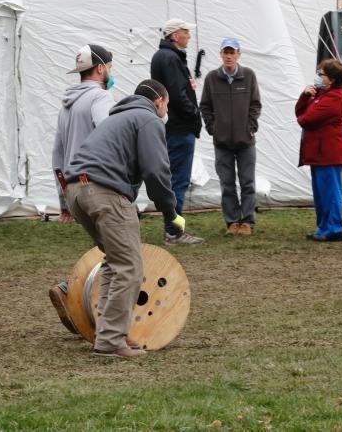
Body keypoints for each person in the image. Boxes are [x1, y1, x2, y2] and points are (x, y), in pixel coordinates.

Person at [63, 80, 185, 358]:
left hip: (76, 190)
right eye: (166, 105)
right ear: (159, 102)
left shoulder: (116, 117)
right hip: (105, 192)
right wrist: (171, 212)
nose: (166, 111)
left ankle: (107, 332)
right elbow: (157, 170)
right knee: (129, 266)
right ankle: (110, 341)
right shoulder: (148, 119)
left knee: (115, 263)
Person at [48, 44, 115, 337]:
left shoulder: (67, 104)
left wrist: (63, 200)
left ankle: (71, 292)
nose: (110, 72)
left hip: (74, 189)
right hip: (97, 185)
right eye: (109, 67)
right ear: (100, 68)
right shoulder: (101, 98)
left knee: (110, 250)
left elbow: (57, 155)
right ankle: (95, 312)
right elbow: (110, 138)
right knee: (123, 254)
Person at [150, 18, 204, 245]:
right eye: (185, 32)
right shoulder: (170, 58)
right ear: (174, 35)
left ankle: (172, 228)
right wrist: (193, 112)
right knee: (179, 180)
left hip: (173, 125)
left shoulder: (164, 56)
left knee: (173, 178)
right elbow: (176, 91)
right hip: (180, 127)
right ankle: (174, 231)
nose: (189, 36)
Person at [200, 38, 262, 235]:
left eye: (232, 52)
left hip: (246, 142)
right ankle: (232, 222)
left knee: (247, 183)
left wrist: (250, 127)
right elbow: (205, 106)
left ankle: (247, 222)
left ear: (238, 55)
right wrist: (213, 128)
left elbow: (255, 104)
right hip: (222, 142)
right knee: (226, 184)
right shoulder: (211, 78)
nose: (228, 56)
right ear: (220, 54)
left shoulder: (249, 76)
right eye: (225, 52)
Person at [295, 60, 342, 242]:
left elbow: (306, 119)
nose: (318, 77)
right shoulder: (321, 95)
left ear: (331, 79)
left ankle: (334, 228)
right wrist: (304, 96)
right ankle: (323, 227)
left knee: (330, 193)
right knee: (321, 194)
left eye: (322, 74)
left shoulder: (334, 98)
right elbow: (299, 112)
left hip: (329, 153)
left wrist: (305, 111)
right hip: (318, 154)